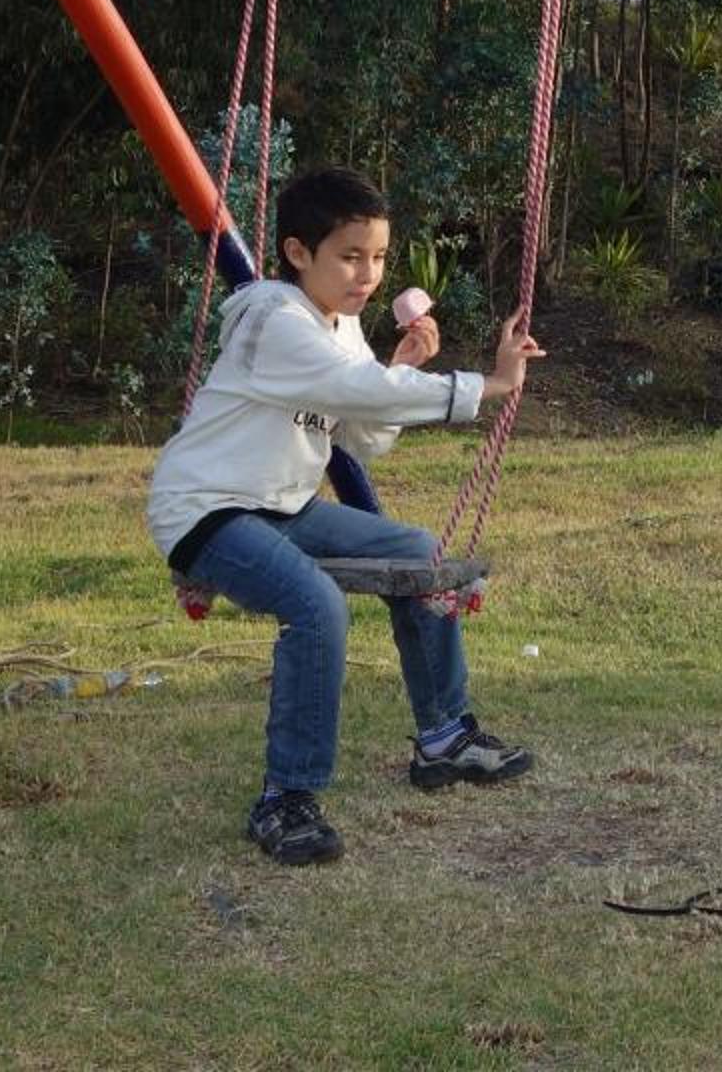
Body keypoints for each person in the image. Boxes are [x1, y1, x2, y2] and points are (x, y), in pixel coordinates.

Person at [148, 166, 546, 866]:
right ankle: (285, 798)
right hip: (206, 510)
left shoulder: (343, 327)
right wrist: (487, 384)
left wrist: (398, 364)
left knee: (420, 554)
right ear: (299, 252)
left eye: (381, 257)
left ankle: (444, 737)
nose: (369, 274)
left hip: (283, 507)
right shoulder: (274, 319)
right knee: (316, 605)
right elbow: (356, 388)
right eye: (351, 256)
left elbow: (365, 435)